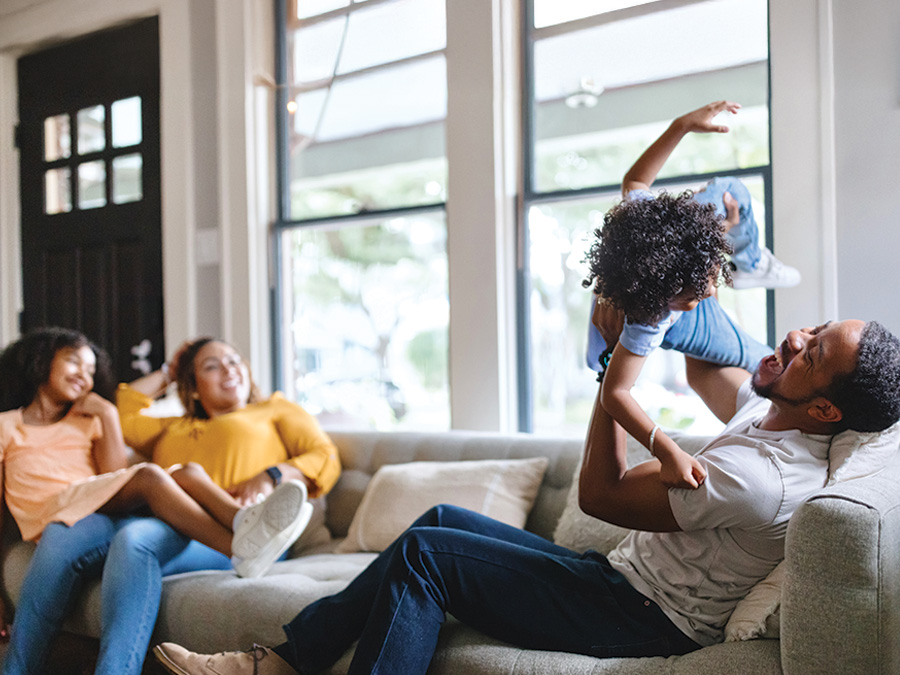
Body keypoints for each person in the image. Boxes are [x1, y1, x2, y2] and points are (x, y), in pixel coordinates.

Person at [151, 317, 900, 675]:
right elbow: (712, 366)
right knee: (441, 520)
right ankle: (279, 664)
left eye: (814, 351)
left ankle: (274, 669)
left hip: (646, 618)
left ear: (827, 409)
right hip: (616, 583)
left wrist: (618, 369)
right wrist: (662, 295)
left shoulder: (766, 475)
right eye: (815, 327)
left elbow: (602, 495)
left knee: (425, 554)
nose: (797, 337)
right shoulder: (768, 410)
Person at [0, 328, 313, 675]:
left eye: (234, 361)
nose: (229, 370)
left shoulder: (273, 409)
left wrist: (272, 474)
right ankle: (242, 535)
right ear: (190, 384)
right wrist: (168, 371)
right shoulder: (171, 427)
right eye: (212, 365)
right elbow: (125, 412)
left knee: (157, 495)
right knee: (152, 510)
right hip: (164, 517)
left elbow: (323, 456)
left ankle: (246, 529)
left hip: (198, 516)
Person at [583, 100, 773, 488]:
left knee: (729, 192)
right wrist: (666, 450)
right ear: (660, 297)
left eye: (711, 275)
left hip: (641, 282)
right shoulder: (647, 321)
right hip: (672, 323)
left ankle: (750, 258)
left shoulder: (647, 220)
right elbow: (616, 393)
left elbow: (635, 182)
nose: (708, 293)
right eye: (694, 293)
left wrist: (682, 125)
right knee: (766, 363)